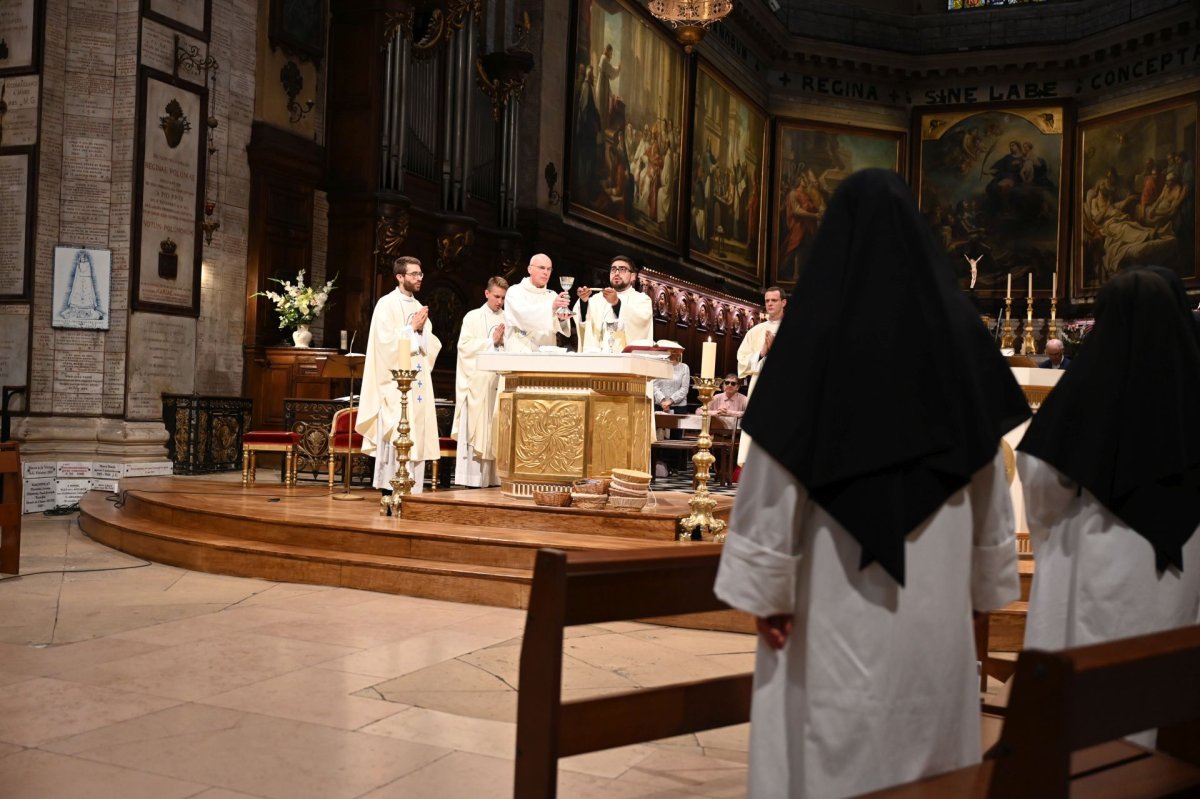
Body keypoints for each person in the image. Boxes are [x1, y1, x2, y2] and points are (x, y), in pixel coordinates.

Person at [714, 169, 1028, 799]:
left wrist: (769, 589)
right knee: (930, 750)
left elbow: (773, 473)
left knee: (825, 746)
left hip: (828, 593)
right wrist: (982, 586)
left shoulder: (812, 333)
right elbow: (993, 470)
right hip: (934, 597)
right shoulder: (964, 338)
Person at [1017, 270, 1200, 750]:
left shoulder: (1081, 398)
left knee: (1091, 720)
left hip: (1092, 564)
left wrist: (1052, 534)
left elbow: (1038, 482)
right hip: (1185, 572)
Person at [356, 256, 443, 500]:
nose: (418, 278)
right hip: (394, 385)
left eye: (420, 274)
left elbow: (430, 344)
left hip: (419, 383)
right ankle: (390, 489)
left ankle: (413, 492)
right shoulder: (386, 304)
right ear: (400, 276)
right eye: (413, 274)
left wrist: (420, 330)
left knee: (417, 431)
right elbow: (383, 343)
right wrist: (411, 329)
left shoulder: (418, 306)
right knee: (397, 430)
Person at [452, 277, 507, 488]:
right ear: (486, 294)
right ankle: (472, 479)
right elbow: (464, 347)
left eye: (503, 298)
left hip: (498, 384)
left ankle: (495, 478)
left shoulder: (508, 319)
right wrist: (490, 342)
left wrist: (504, 342)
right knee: (476, 430)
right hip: (476, 386)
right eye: (496, 296)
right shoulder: (472, 317)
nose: (499, 302)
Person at [735, 286, 786, 465]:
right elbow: (741, 361)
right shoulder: (756, 331)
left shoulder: (794, 330)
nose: (770, 304)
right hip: (759, 389)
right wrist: (762, 352)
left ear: (784, 302)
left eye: (774, 300)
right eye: (767, 301)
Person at [574, 255, 654, 352]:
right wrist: (583, 301)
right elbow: (584, 321)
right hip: (599, 358)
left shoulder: (642, 300)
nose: (616, 273)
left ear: (633, 276)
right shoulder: (598, 298)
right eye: (613, 270)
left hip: (625, 361)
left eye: (622, 269)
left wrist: (616, 303)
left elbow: (640, 324)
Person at [503, 253, 571, 352]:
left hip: (546, 355)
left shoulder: (552, 295)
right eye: (541, 268)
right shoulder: (515, 291)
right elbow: (523, 317)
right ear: (529, 269)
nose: (545, 272)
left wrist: (562, 319)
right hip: (520, 353)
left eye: (549, 269)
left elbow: (558, 327)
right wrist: (551, 307)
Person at [652, 341, 689, 443]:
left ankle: (674, 458)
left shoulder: (684, 367)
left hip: (678, 407)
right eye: (671, 349)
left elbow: (684, 388)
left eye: (676, 350)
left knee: (675, 439)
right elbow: (654, 385)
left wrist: (670, 401)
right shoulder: (658, 365)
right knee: (658, 437)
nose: (673, 352)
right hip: (660, 405)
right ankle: (657, 458)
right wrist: (663, 401)